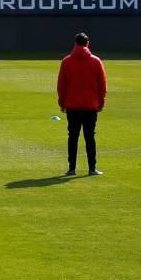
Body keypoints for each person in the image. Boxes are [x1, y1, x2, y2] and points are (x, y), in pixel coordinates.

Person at [56, 32, 107, 177]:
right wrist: (101, 102)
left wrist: (62, 102)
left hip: (72, 106)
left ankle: (71, 168)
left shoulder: (66, 61)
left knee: (73, 137)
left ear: (75, 43)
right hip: (91, 106)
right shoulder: (96, 61)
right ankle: (92, 168)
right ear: (88, 43)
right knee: (90, 137)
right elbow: (102, 85)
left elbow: (61, 85)